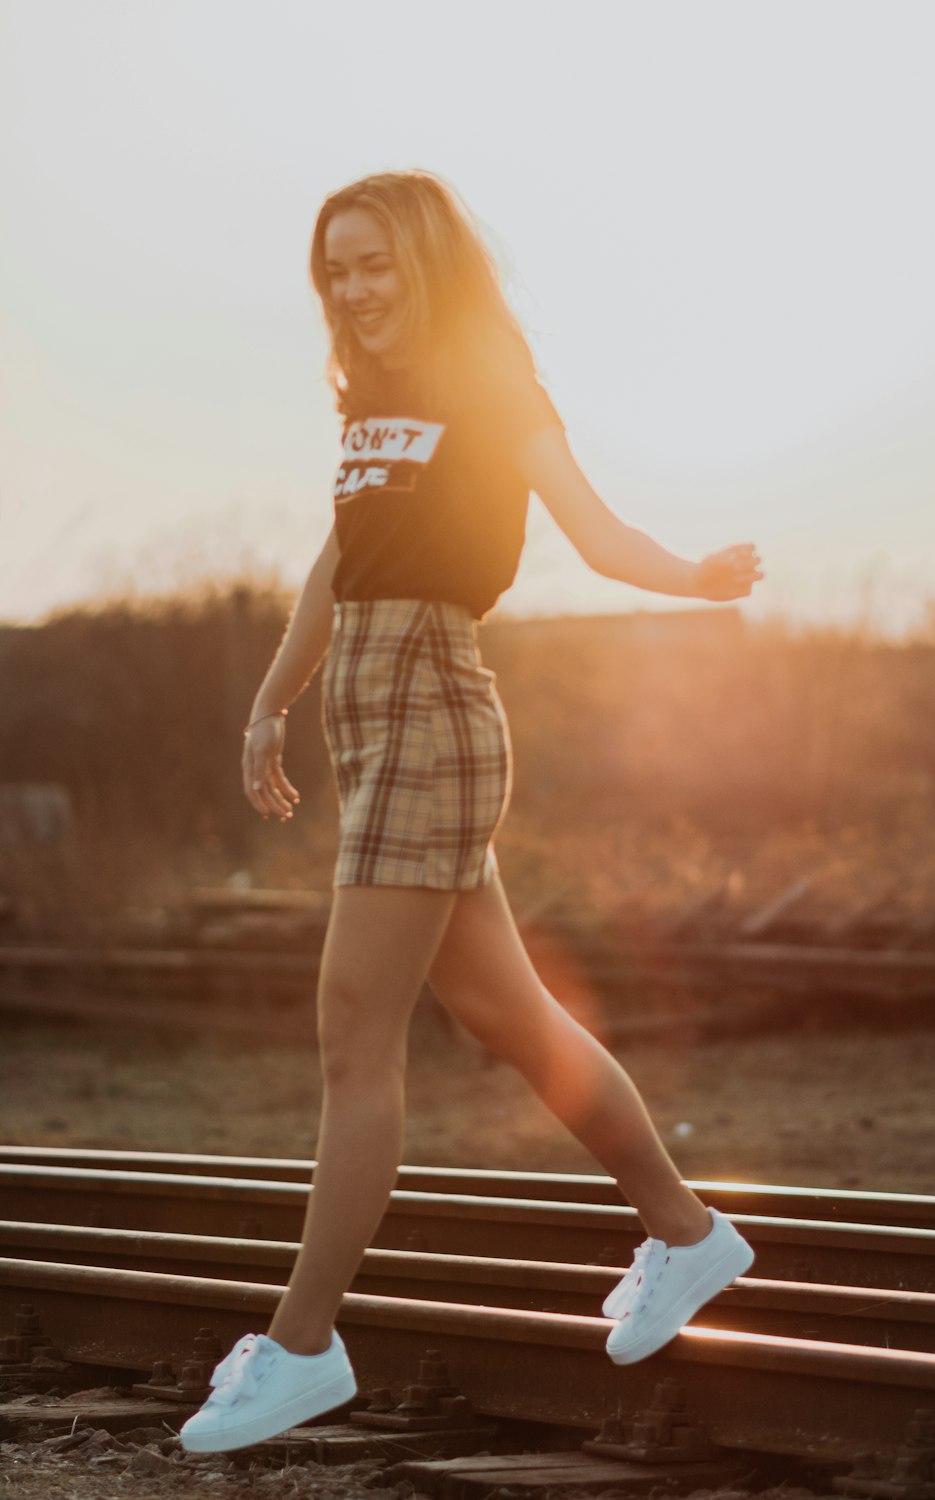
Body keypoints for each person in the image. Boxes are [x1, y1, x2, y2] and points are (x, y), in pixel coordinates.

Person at [180, 168, 764, 1455]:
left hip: (438, 709)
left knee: (352, 1028)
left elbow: (597, 534)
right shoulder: (370, 404)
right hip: (368, 717)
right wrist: (272, 701)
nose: (352, 288)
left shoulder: (491, 385)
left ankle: (299, 1347)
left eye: (375, 262)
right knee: (509, 1015)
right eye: (334, 269)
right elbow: (339, 563)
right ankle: (686, 1232)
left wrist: (693, 577)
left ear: (429, 265)